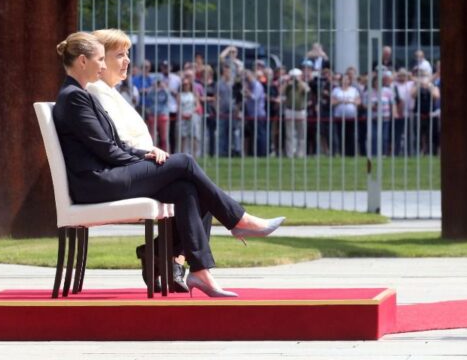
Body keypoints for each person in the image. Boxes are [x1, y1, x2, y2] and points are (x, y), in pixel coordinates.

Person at [53, 32, 285, 297]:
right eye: (100, 60)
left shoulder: (80, 94)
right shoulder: (75, 96)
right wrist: (145, 160)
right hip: (97, 182)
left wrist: (147, 159)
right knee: (184, 162)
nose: (104, 66)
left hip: (106, 176)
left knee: (187, 188)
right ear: (83, 61)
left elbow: (113, 143)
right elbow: (107, 150)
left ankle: (200, 271)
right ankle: (238, 220)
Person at [87, 29, 187, 292]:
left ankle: (169, 257)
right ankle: (179, 258)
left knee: (192, 189)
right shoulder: (97, 92)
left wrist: (151, 150)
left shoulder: (112, 91)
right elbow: (118, 142)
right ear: (100, 59)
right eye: (119, 55)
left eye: (127, 54)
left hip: (139, 164)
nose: (127, 61)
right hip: (126, 170)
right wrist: (150, 153)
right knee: (189, 173)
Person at [281, 68, 310, 157]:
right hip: (290, 110)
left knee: (302, 134)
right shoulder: (288, 86)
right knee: (289, 134)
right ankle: (290, 153)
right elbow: (281, 92)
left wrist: (299, 81)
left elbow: (307, 90)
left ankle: (300, 153)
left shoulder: (303, 85)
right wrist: (287, 83)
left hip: (301, 111)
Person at [331, 73, 361, 156]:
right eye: (343, 79)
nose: (345, 81)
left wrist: (350, 101)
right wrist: (341, 101)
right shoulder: (336, 90)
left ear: (349, 81)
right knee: (341, 135)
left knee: (351, 135)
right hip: (339, 117)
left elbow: (358, 102)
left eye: (347, 79)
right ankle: (342, 152)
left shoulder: (354, 90)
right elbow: (332, 102)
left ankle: (351, 153)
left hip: (351, 118)